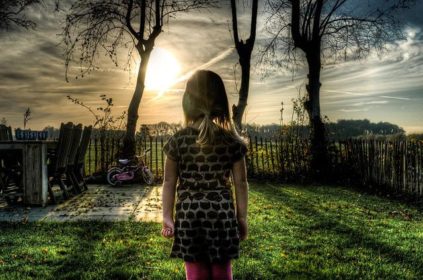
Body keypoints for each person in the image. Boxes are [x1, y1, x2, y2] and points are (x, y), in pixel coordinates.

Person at [161, 70, 249, 280]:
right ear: (221, 101)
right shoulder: (231, 141)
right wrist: (242, 218)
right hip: (221, 216)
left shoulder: (178, 141)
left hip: (190, 216)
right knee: (221, 273)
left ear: (188, 101)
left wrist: (167, 216)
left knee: (196, 274)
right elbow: (241, 182)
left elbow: (168, 181)